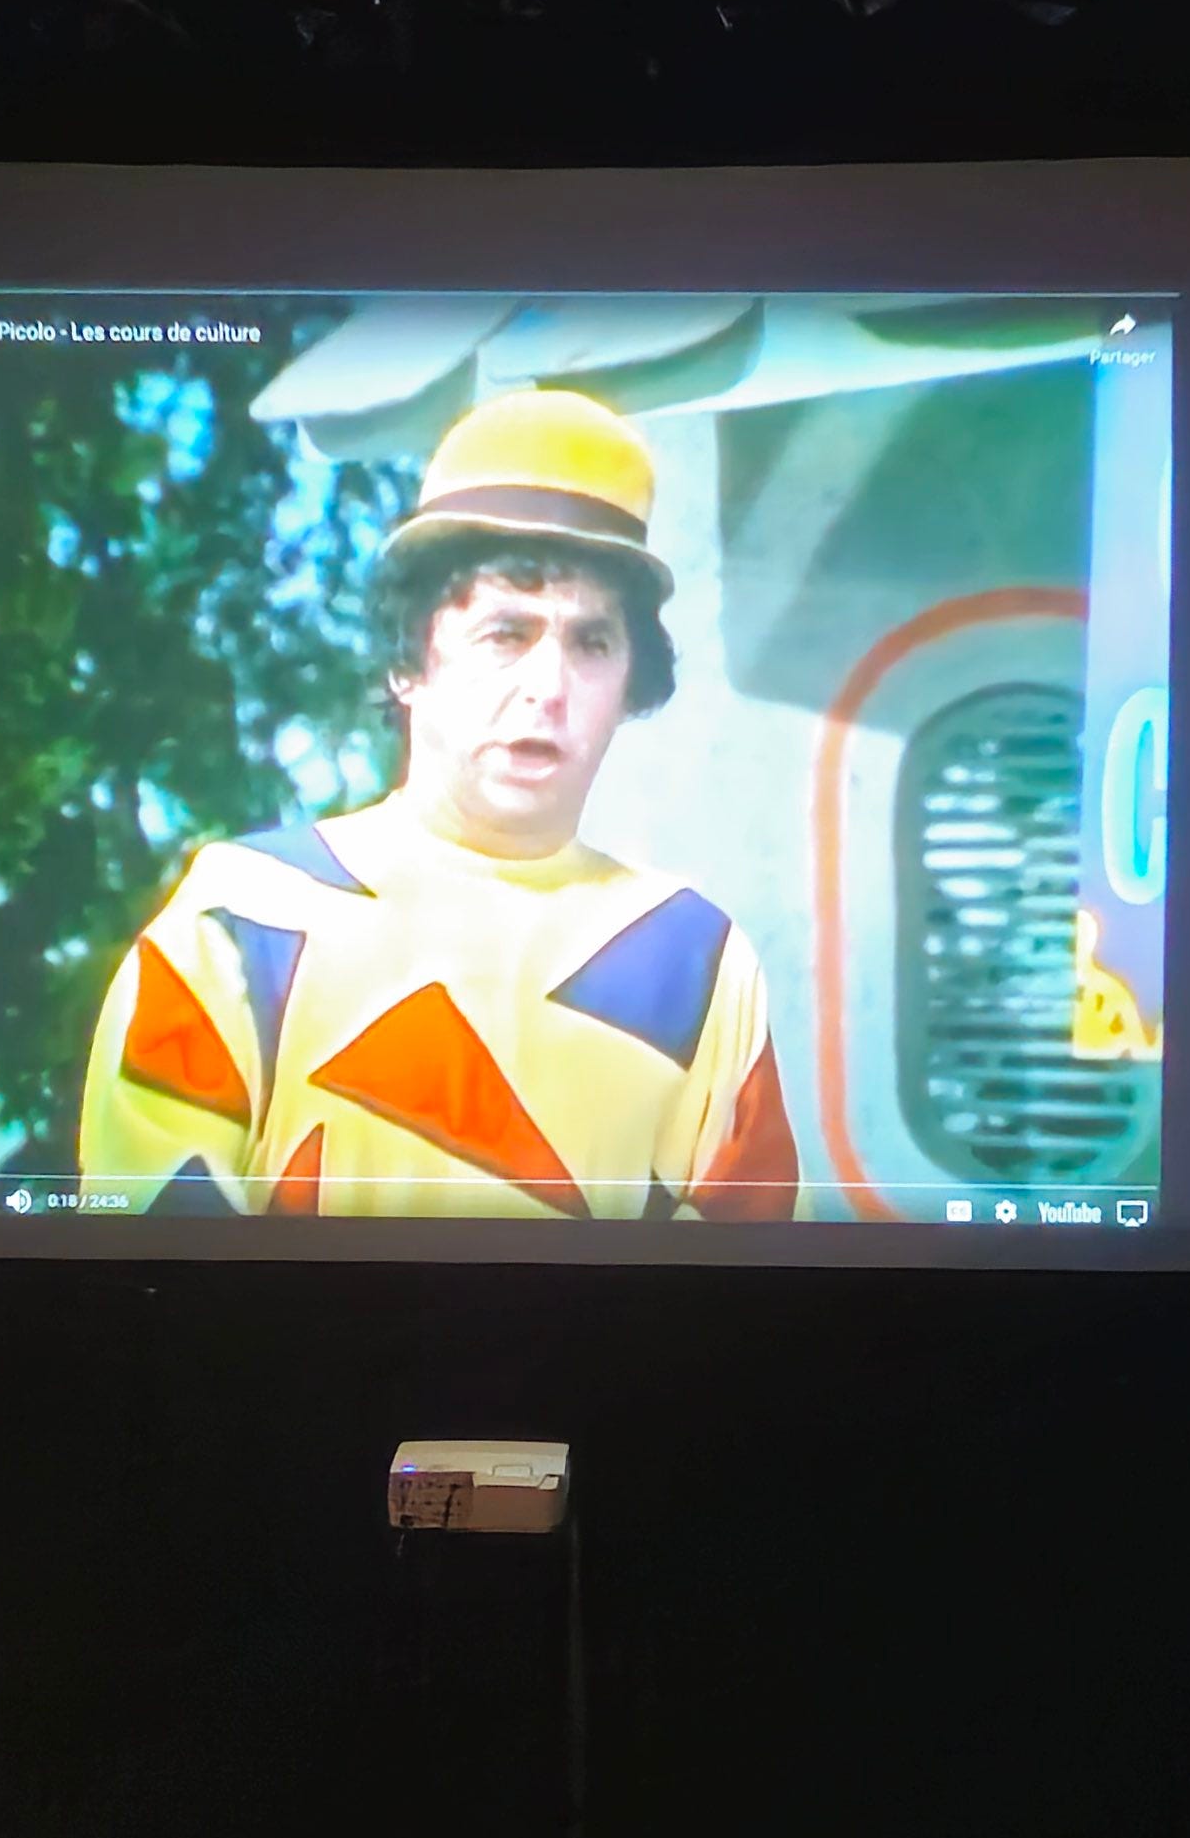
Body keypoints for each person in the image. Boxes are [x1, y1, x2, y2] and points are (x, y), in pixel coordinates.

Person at [69, 382, 809, 1222]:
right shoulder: (243, 915)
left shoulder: (696, 957)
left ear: (628, 683)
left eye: (591, 642)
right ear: (408, 666)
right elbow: (148, 1265)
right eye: (506, 634)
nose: (549, 687)